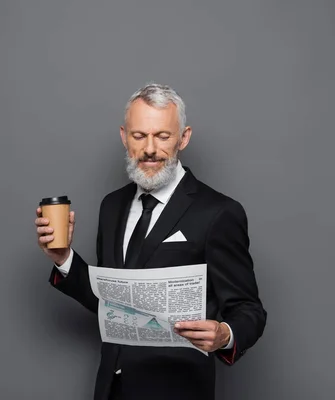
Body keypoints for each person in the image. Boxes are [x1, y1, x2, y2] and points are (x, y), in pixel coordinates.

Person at [35, 83, 267, 400]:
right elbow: (110, 303)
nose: (149, 149)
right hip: (111, 390)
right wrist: (63, 259)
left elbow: (249, 310)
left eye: (162, 136)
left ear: (183, 137)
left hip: (178, 390)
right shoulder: (112, 206)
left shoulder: (219, 212)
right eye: (139, 136)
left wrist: (225, 334)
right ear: (124, 136)